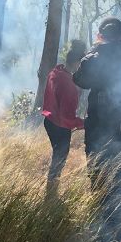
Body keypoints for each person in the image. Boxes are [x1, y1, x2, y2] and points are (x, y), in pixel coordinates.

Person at [73, 18, 121, 242]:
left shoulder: (96, 58)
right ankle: (115, 235)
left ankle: (100, 236)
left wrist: (96, 50)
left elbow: (79, 78)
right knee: (119, 183)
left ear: (101, 35)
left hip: (100, 133)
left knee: (98, 180)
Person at [41, 39, 86, 194]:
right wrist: (84, 123)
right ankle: (51, 194)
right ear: (77, 63)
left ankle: (51, 191)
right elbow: (67, 118)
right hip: (59, 126)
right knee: (59, 160)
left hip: (49, 121)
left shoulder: (56, 71)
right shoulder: (69, 85)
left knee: (57, 157)